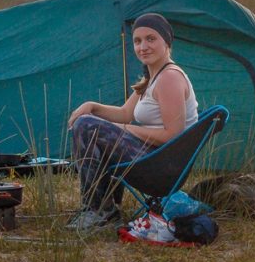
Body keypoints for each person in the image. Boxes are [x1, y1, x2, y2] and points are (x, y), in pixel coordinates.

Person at [66, 13, 198, 231]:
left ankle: (99, 210)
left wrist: (120, 129)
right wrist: (91, 106)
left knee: (87, 126)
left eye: (150, 39)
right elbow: (125, 113)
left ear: (166, 42)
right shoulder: (153, 78)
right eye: (137, 41)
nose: (143, 46)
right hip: (152, 157)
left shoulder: (170, 78)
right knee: (89, 121)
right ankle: (102, 208)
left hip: (162, 165)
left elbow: (172, 135)